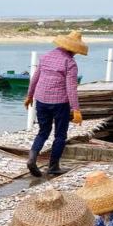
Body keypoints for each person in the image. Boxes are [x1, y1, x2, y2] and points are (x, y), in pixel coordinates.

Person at [24, 30, 88, 177]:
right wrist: (76, 109)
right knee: (60, 135)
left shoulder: (46, 56)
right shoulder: (70, 63)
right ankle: (53, 166)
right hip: (60, 103)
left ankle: (32, 159)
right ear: (72, 48)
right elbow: (71, 88)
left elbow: (35, 78)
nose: (76, 53)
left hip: (41, 100)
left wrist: (29, 96)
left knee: (43, 131)